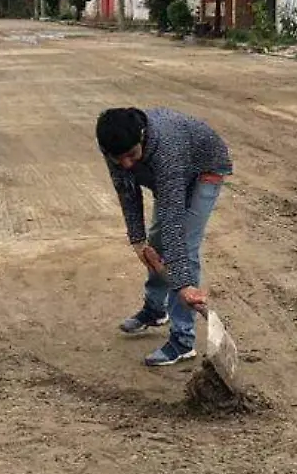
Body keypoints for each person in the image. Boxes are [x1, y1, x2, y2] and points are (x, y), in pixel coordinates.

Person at [96, 107, 233, 367]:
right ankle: (155, 309)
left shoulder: (166, 149)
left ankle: (182, 341)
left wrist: (183, 285)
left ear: (143, 136)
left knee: (183, 244)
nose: (126, 164)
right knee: (155, 240)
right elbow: (128, 192)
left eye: (132, 155)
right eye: (118, 158)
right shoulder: (113, 145)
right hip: (171, 168)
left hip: (205, 167)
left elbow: (173, 224)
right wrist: (138, 240)